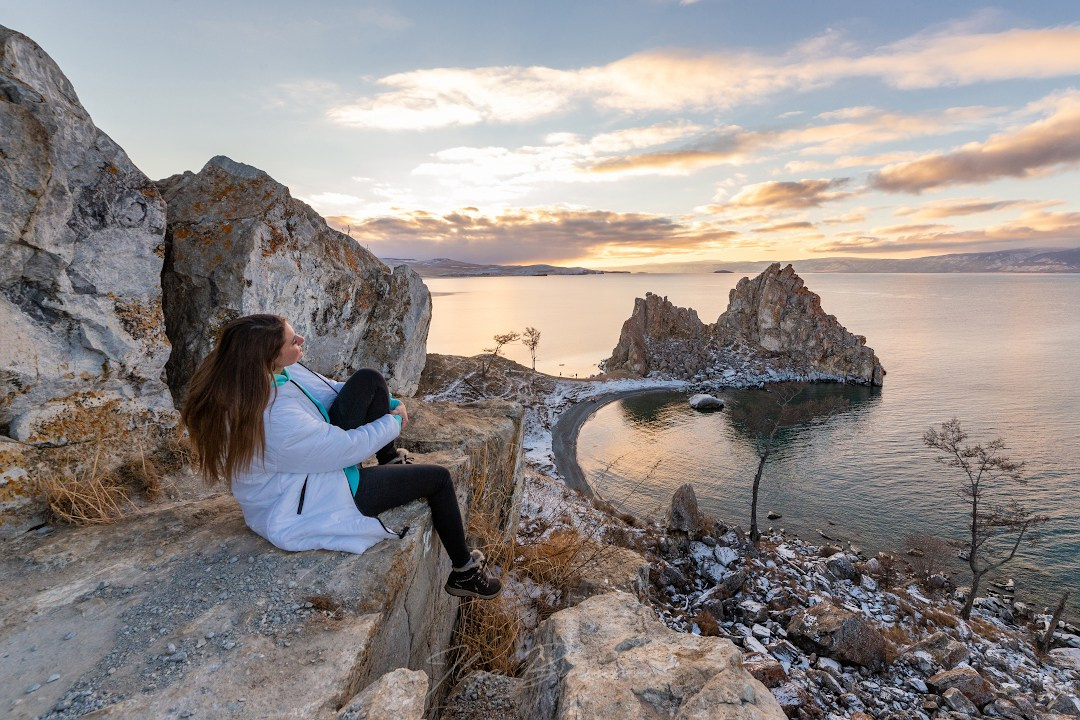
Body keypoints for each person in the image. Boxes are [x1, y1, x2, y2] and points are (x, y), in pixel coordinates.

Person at [180, 313, 501, 599]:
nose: (301, 339)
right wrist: (393, 422)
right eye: (293, 340)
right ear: (270, 354)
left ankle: (389, 459)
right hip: (312, 496)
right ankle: (465, 573)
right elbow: (344, 448)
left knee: (370, 380)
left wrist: (388, 403)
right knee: (438, 479)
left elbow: (329, 390)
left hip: (307, 468)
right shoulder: (272, 418)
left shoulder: (265, 376)